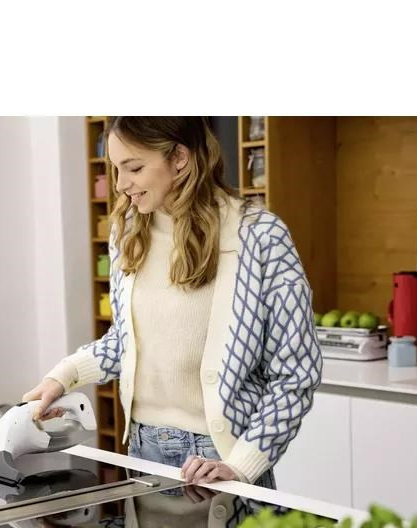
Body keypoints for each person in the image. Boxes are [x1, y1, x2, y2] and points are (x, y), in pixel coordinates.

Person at [23, 116, 322, 488]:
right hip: (142, 448)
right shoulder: (128, 233)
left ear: (179, 157)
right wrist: (62, 377)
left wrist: (243, 464)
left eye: (134, 168)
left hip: (221, 457)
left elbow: (296, 374)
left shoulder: (260, 236)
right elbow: (127, 343)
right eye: (116, 169)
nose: (121, 184)